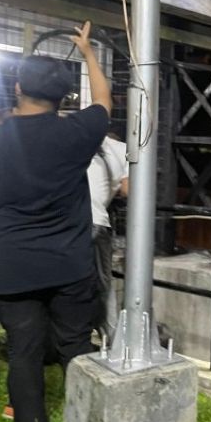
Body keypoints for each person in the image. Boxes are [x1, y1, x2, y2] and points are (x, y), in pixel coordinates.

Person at [0, 21, 111, 422]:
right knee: (76, 346)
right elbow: (104, 101)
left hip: (14, 266)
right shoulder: (78, 132)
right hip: (72, 264)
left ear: (18, 87)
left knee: (23, 352)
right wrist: (90, 54)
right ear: (63, 97)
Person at [87, 132, 128, 342]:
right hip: (97, 221)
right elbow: (127, 191)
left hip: (66, 219)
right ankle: (112, 337)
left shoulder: (77, 138)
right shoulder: (122, 150)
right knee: (104, 282)